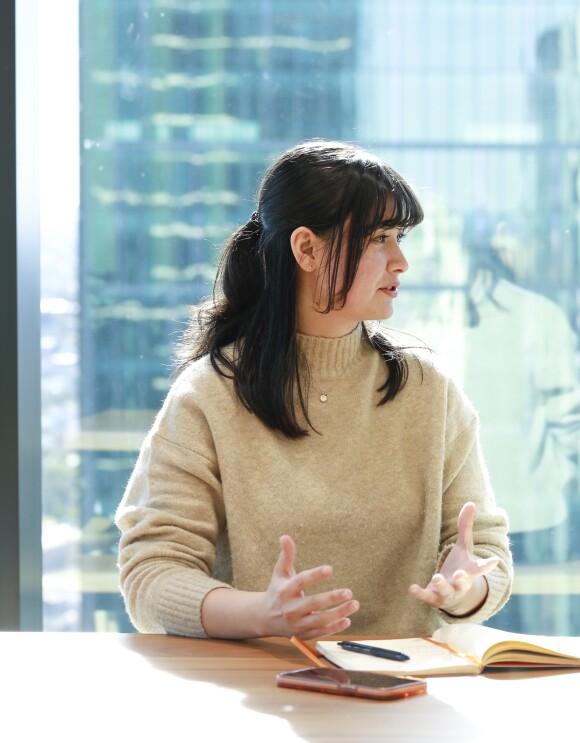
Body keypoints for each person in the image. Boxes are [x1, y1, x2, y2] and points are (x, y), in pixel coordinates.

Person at [115, 140, 513, 640]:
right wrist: (260, 614)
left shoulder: (430, 391)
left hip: (402, 690)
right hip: (258, 688)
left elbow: (486, 552)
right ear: (306, 248)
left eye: (400, 237)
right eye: (379, 239)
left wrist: (466, 590)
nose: (401, 261)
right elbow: (151, 573)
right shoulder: (208, 395)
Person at [407, 212, 580, 635]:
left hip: (469, 521)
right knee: (527, 644)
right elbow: (571, 418)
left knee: (462, 634)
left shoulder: (422, 318)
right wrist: (554, 476)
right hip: (530, 509)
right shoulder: (537, 314)